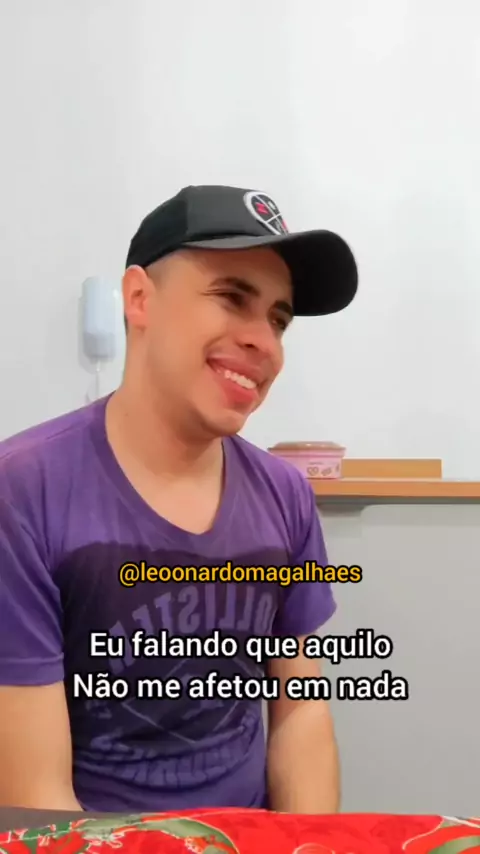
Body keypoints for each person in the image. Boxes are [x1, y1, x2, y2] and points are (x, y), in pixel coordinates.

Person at [0, 185, 358, 814]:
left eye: (278, 319)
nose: (265, 342)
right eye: (232, 297)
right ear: (139, 298)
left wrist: (308, 844)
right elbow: (37, 800)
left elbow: (299, 711)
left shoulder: (285, 496)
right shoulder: (24, 491)